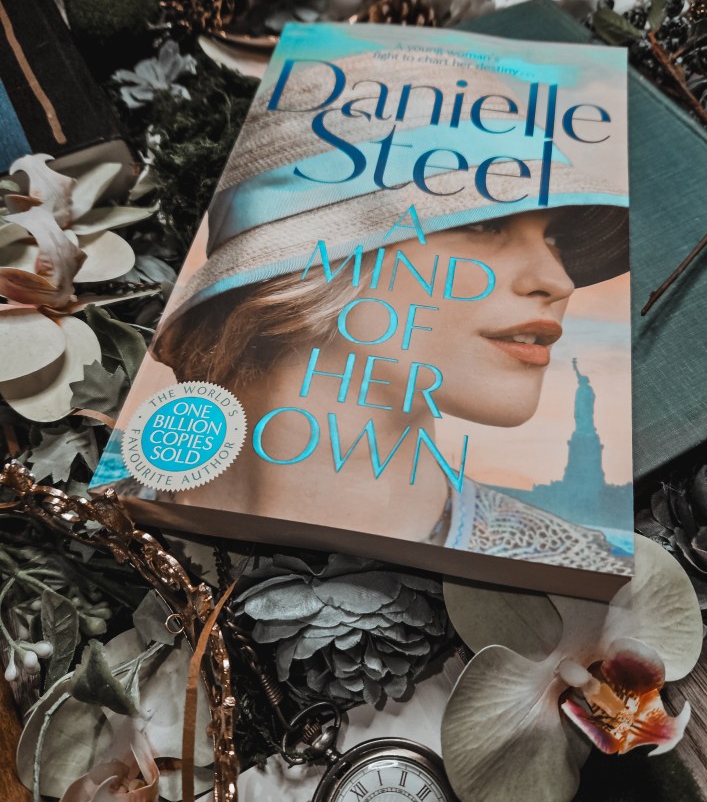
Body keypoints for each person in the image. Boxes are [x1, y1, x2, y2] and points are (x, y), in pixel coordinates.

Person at [152, 200, 631, 575]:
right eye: (484, 223)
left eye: (554, 238)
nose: (560, 280)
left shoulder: (584, 569)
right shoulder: (117, 515)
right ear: (312, 257)